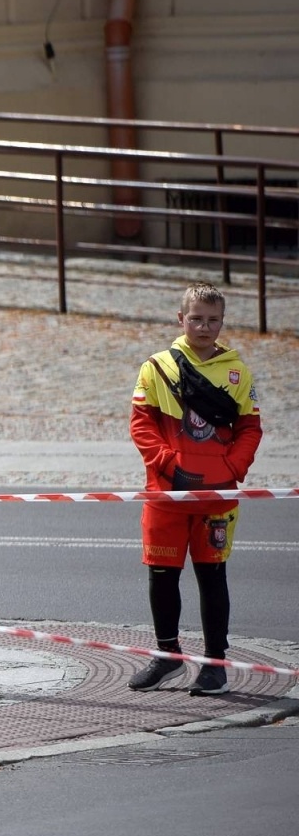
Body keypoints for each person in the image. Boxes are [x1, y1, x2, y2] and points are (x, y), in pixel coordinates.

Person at [127, 282, 261, 696]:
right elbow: (141, 424)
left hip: (216, 496)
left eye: (213, 320)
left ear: (223, 321)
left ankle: (215, 665)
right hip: (166, 494)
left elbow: (250, 428)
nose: (205, 327)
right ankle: (168, 656)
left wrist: (231, 467)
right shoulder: (157, 367)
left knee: (212, 576)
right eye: (197, 318)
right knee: (162, 576)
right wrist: (168, 464)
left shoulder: (238, 373)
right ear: (180, 319)